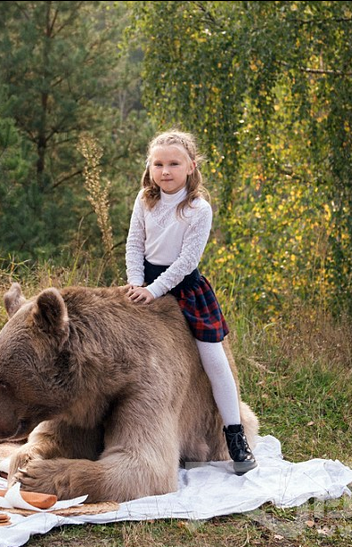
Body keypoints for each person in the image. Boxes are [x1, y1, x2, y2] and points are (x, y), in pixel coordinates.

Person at [124, 129, 257, 474]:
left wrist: (155, 290)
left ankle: (234, 434)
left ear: (191, 166)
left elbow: (186, 261)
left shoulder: (199, 209)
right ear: (150, 166)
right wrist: (137, 283)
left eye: (173, 163)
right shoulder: (144, 199)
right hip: (144, 283)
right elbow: (134, 245)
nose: (165, 171)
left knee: (213, 358)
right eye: (158, 164)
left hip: (183, 286)